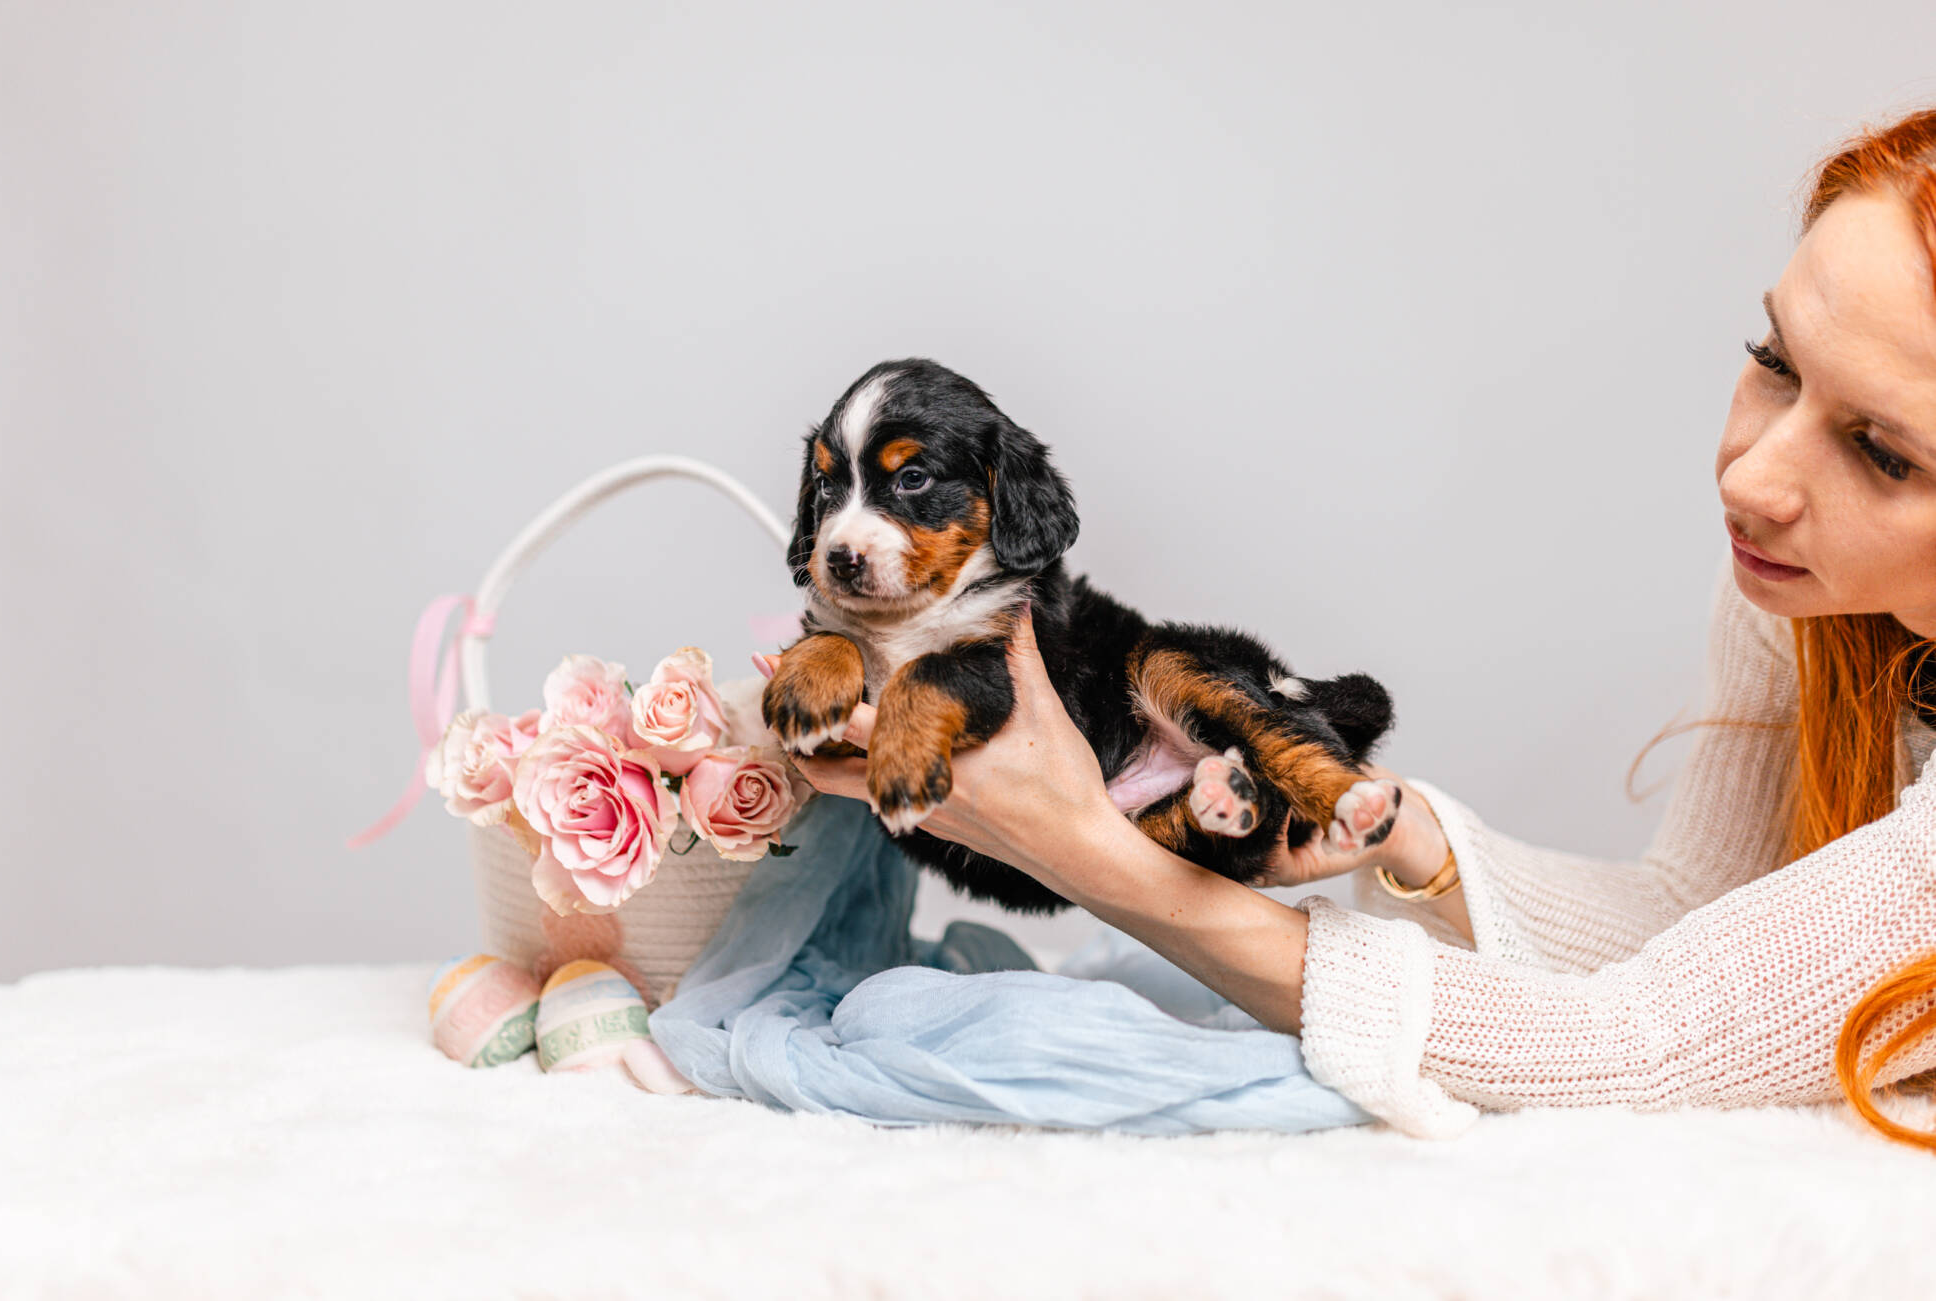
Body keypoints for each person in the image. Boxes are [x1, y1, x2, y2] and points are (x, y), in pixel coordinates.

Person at [787, 106, 1936, 1148]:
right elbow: (1693, 918)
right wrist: (1410, 835)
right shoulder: (1804, 592)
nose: (1752, 478)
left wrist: (1100, 858)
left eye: (1882, 452)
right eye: (1773, 361)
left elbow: (1638, 1040)